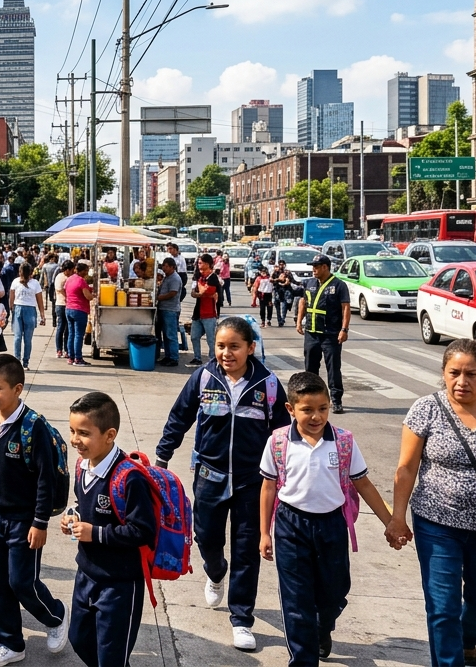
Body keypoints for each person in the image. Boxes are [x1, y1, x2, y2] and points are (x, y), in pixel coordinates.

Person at [386, 339, 476, 667]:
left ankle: (468, 641)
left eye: (471, 373)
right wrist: (397, 517)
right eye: (454, 373)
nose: (461, 381)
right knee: (442, 606)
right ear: (443, 373)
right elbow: (406, 467)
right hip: (435, 524)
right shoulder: (426, 409)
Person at [155, 316, 290, 652]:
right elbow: (179, 416)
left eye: (234, 346)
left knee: (248, 550)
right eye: (220, 346)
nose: (226, 353)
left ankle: (242, 619)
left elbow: (284, 435)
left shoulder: (268, 385)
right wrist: (162, 456)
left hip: (253, 482)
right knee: (207, 538)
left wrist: (288, 472)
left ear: (250, 348)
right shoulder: (203, 377)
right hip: (209, 476)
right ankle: (215, 572)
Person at [258, 371, 398, 665]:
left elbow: (363, 484)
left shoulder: (344, 442)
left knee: (334, 592)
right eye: (307, 409)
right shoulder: (279, 442)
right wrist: (265, 533)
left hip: (331, 525)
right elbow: (269, 486)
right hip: (290, 525)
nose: (316, 416)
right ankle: (303, 659)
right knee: (296, 601)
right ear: (290, 409)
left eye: (322, 408)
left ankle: (323, 625)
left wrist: (391, 522)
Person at [0, 354, 68, 666]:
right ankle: (10, 643)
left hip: (24, 520)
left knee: (21, 582)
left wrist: (40, 522)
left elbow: (45, 480)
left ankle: (55, 616)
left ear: (17, 389)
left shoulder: (33, 427)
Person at [60, 391, 157, 667]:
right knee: (79, 639)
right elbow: (84, 504)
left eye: (84, 433)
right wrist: (72, 517)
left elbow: (143, 531)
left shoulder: (129, 477)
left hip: (120, 583)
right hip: (87, 574)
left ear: (110, 434)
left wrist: (96, 533)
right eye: (72, 431)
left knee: (112, 656)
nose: (75, 440)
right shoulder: (82, 465)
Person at [295, 254, 351, 414]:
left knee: (333, 368)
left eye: (316, 266)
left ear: (325, 267)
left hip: (331, 334)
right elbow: (303, 302)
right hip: (311, 333)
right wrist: (299, 322)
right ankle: (310, 397)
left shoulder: (339, 285)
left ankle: (336, 400)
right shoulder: (310, 283)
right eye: (313, 266)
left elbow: (345, 307)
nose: (313, 269)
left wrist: (344, 329)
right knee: (310, 368)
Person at [188, 254, 222, 367]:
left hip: (209, 313)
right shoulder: (200, 277)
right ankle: (197, 357)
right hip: (198, 313)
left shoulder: (212, 277)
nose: (198, 265)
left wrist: (199, 291)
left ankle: (213, 359)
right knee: (194, 336)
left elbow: (205, 292)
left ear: (207, 264)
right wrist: (199, 291)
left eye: (200, 263)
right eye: (198, 263)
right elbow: (194, 292)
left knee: (211, 339)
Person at [8, 263, 44, 370]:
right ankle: (17, 360)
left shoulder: (35, 283)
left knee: (27, 339)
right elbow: (11, 296)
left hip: (29, 309)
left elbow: (39, 299)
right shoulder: (16, 282)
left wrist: (42, 314)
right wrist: (11, 308)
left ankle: (25, 361)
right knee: (18, 337)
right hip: (18, 308)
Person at [64, 261, 95, 366]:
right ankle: (78, 358)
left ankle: (71, 357)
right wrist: (94, 295)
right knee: (78, 335)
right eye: (85, 271)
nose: (86, 273)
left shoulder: (69, 279)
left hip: (69, 309)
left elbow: (68, 291)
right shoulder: (81, 281)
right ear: (81, 271)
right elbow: (88, 296)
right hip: (79, 310)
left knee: (71, 334)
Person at [155, 259, 183, 367]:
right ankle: (167, 356)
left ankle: (173, 358)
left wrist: (160, 297)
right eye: (163, 266)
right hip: (163, 309)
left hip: (170, 310)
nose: (164, 268)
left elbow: (173, 293)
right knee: (165, 335)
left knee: (171, 335)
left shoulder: (175, 278)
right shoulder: (167, 277)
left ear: (172, 267)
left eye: (166, 266)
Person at [52, 261, 74, 361]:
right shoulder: (60, 277)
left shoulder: (71, 277)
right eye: (71, 270)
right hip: (61, 305)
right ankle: (59, 349)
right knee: (61, 327)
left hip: (69, 305)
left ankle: (67, 350)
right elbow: (60, 290)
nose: (72, 272)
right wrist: (69, 297)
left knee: (68, 329)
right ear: (67, 270)